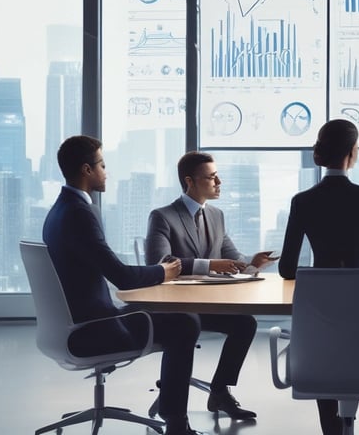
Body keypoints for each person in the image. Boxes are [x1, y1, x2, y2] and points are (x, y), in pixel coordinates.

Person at [42, 135, 205, 435]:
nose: (106, 172)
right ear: (86, 170)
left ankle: (171, 411)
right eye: (102, 165)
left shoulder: (59, 210)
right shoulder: (80, 213)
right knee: (186, 322)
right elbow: (121, 276)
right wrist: (163, 272)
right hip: (92, 330)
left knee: (173, 317)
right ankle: (176, 423)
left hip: (75, 322)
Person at [278, 118, 359, 435]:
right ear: (352, 152)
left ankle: (332, 430)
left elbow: (287, 269)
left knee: (326, 353)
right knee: (350, 353)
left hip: (318, 312)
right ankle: (348, 423)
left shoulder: (302, 201)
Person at [145, 150, 276, 421]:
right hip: (175, 307)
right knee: (187, 324)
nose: (219, 182)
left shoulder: (216, 215)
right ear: (189, 181)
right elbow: (159, 261)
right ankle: (173, 401)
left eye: (218, 176)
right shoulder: (163, 216)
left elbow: (232, 258)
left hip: (204, 303)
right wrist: (209, 264)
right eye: (212, 177)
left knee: (245, 323)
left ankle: (219, 392)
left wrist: (252, 264)